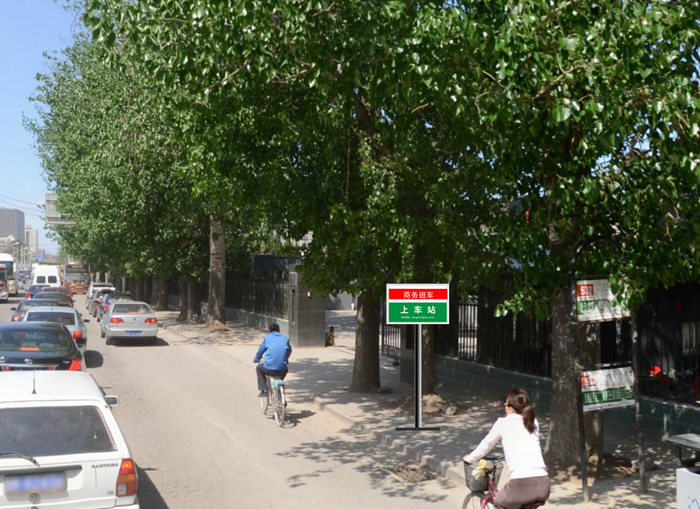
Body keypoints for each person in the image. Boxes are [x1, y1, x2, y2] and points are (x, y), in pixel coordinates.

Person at [462, 388, 549, 509]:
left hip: (522, 484)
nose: (505, 407)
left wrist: (470, 458)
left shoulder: (503, 423)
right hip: (544, 484)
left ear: (511, 408)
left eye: (505, 404)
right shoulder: (533, 422)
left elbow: (486, 444)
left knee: (499, 502)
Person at [253, 323, 292, 397]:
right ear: (279, 330)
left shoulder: (267, 338)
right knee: (281, 375)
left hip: (269, 369)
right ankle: (280, 392)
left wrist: (256, 359)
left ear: (270, 330)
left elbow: (261, 351)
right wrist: (285, 360)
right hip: (282, 369)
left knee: (259, 368)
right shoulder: (285, 339)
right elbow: (289, 351)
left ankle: (263, 389)